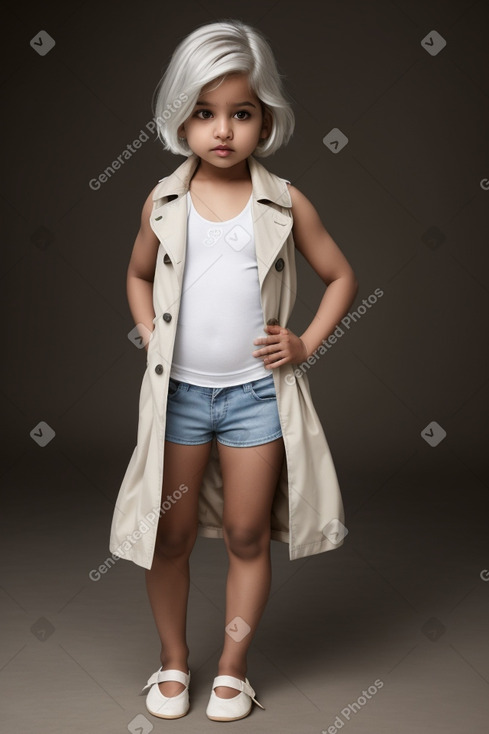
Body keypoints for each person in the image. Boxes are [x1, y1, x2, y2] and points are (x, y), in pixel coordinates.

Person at [110, 18, 358, 722]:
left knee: (248, 536)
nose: (222, 130)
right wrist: (145, 324)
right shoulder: (162, 202)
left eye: (240, 113)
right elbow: (134, 274)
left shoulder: (282, 203)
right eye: (204, 113)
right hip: (181, 400)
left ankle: (231, 669)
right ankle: (171, 664)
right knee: (172, 535)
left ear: (264, 118)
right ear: (179, 119)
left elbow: (340, 275)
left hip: (254, 399)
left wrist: (304, 342)